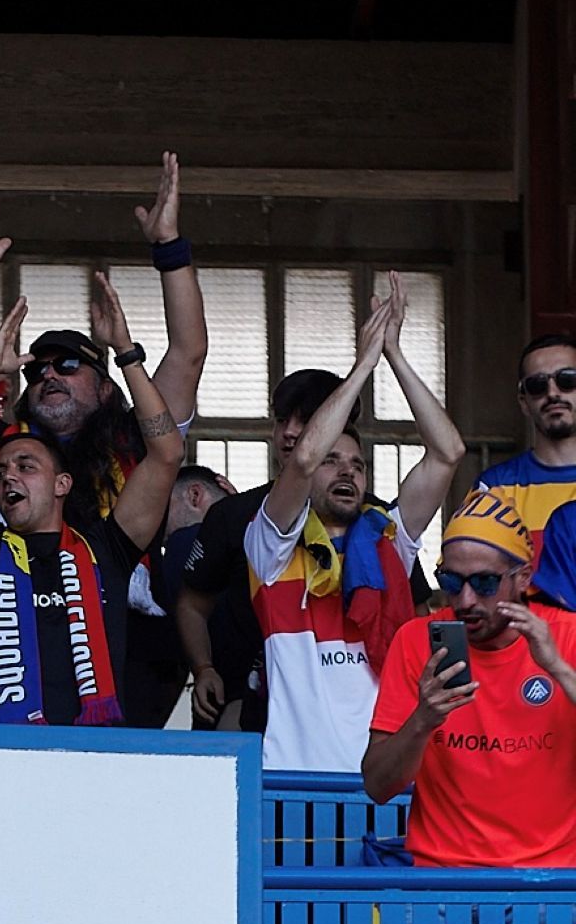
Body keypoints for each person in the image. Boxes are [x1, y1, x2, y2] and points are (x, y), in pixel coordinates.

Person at [0, 154, 206, 725]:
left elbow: (188, 354)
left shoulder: (134, 434)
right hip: (0, 655)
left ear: (105, 387)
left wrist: (169, 248)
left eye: (69, 365)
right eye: (37, 369)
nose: (48, 374)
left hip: (121, 658)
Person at [244, 274, 465, 772]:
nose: (346, 471)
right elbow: (303, 458)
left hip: (386, 780)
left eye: (357, 465)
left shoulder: (389, 541)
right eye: (333, 461)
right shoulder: (271, 547)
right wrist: (364, 364)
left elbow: (448, 452)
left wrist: (394, 355)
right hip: (297, 780)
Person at [364, 490, 576, 867]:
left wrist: (558, 668)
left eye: (484, 583)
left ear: (523, 578)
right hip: (442, 876)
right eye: (451, 581)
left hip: (551, 878)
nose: (465, 601)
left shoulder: (567, 635)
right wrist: (422, 721)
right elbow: (378, 787)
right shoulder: (415, 641)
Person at [175, 367, 361, 734]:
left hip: (347, 711)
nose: (289, 432)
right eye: (281, 420)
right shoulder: (234, 514)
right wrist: (204, 668)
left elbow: (414, 613)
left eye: (305, 420)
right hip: (244, 705)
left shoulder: (374, 520)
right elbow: (191, 605)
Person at [474, 333, 576, 581]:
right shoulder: (495, 487)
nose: (552, 393)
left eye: (567, 380)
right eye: (537, 385)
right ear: (524, 402)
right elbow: (472, 577)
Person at [161, 464, 236, 729]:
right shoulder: (259, 542)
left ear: (194, 495)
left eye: (162, 504)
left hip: (224, 698)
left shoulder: (186, 540)